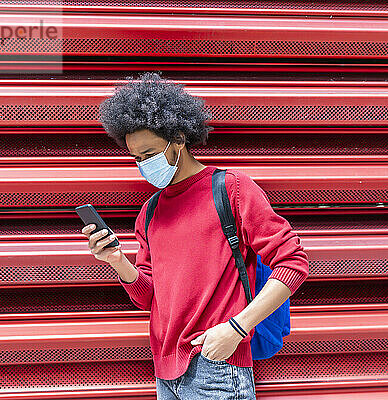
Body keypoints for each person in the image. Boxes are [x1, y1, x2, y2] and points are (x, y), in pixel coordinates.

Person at [82, 71, 309, 399]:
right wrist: (117, 261)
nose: (144, 164)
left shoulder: (230, 188)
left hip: (216, 364)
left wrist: (236, 329)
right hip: (165, 370)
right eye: (136, 158)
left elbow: (294, 264)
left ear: (178, 140)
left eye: (150, 153)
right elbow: (149, 298)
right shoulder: (149, 212)